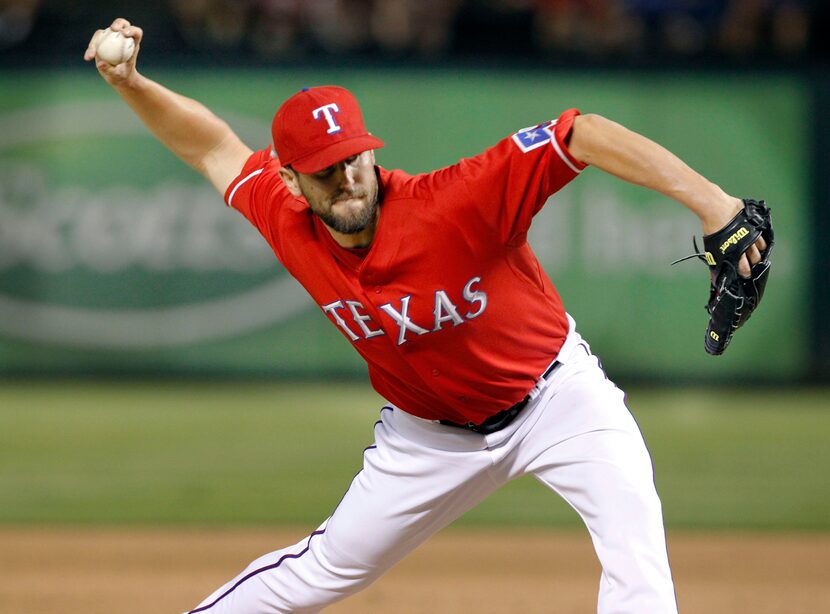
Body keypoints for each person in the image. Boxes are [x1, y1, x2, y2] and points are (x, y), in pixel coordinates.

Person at [85, 18, 766, 614]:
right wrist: (131, 84)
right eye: (324, 170)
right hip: (428, 440)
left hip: (558, 396)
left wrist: (713, 203)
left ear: (371, 151)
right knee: (320, 574)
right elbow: (209, 147)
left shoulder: (455, 203)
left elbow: (580, 133)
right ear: (290, 181)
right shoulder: (284, 217)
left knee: (634, 539)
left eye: (353, 159)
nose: (347, 179)